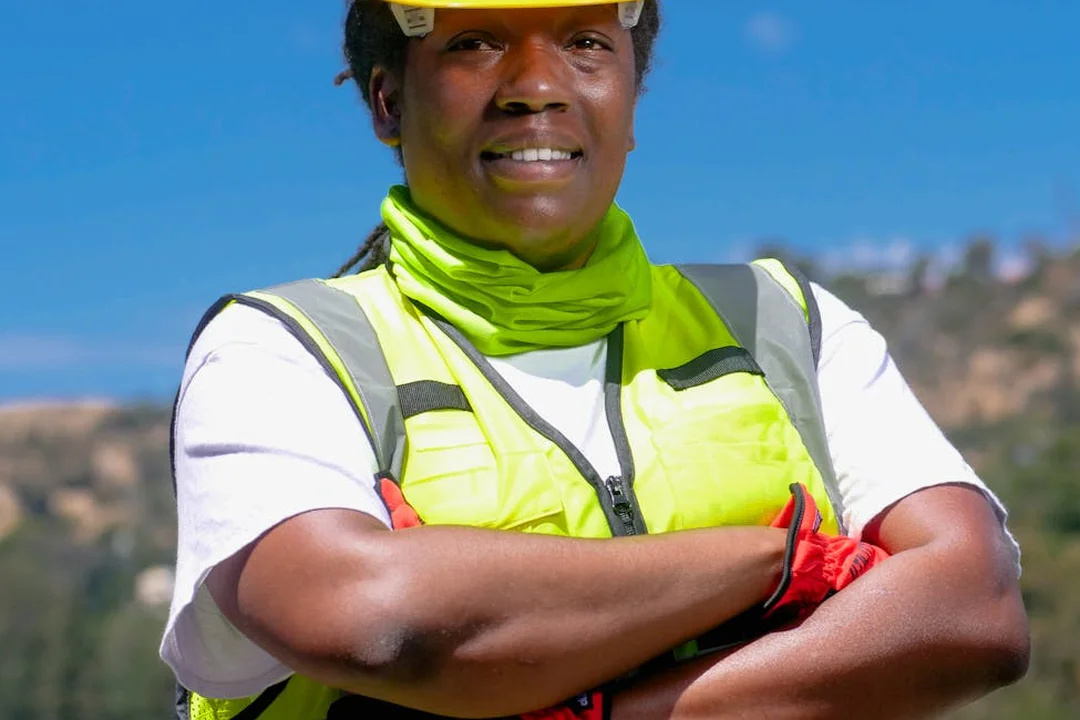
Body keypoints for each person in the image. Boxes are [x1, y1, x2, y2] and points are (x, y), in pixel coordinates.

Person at [160, 1, 1030, 718]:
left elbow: (974, 610)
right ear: (388, 101)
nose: (536, 86)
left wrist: (612, 710)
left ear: (632, 95)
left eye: (584, 44)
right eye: (473, 43)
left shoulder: (783, 325)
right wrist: (777, 565)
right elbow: (370, 618)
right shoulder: (281, 350)